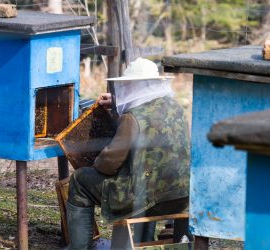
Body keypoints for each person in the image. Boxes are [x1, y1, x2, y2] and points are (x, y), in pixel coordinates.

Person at [66, 57, 190, 249]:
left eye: (128, 84)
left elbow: (109, 163)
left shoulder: (132, 118)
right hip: (181, 195)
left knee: (79, 180)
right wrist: (116, 104)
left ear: (134, 84)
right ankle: (142, 240)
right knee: (147, 181)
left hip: (147, 199)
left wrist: (95, 163)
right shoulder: (176, 108)